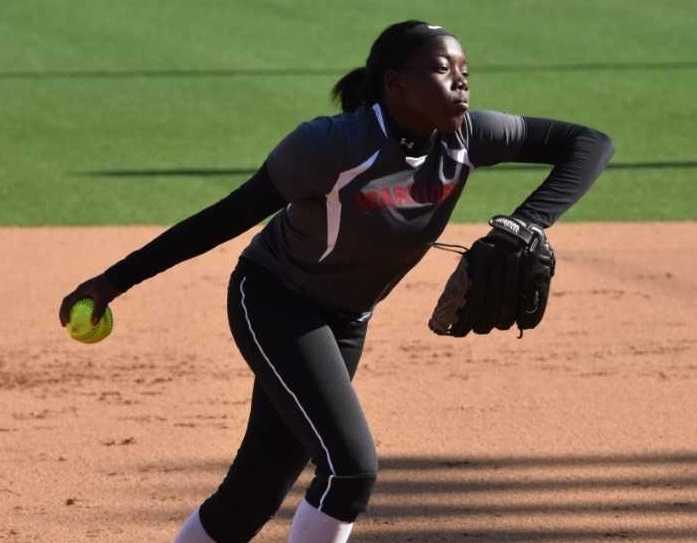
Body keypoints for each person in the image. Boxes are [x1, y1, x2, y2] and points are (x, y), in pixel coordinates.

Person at [59, 20, 613, 543]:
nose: (462, 81)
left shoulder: (467, 137)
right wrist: (114, 281)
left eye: (465, 69)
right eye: (444, 69)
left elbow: (588, 143)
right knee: (350, 471)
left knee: (256, 490)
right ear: (396, 85)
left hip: (347, 319)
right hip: (276, 303)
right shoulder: (330, 147)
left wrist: (527, 221)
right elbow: (227, 216)